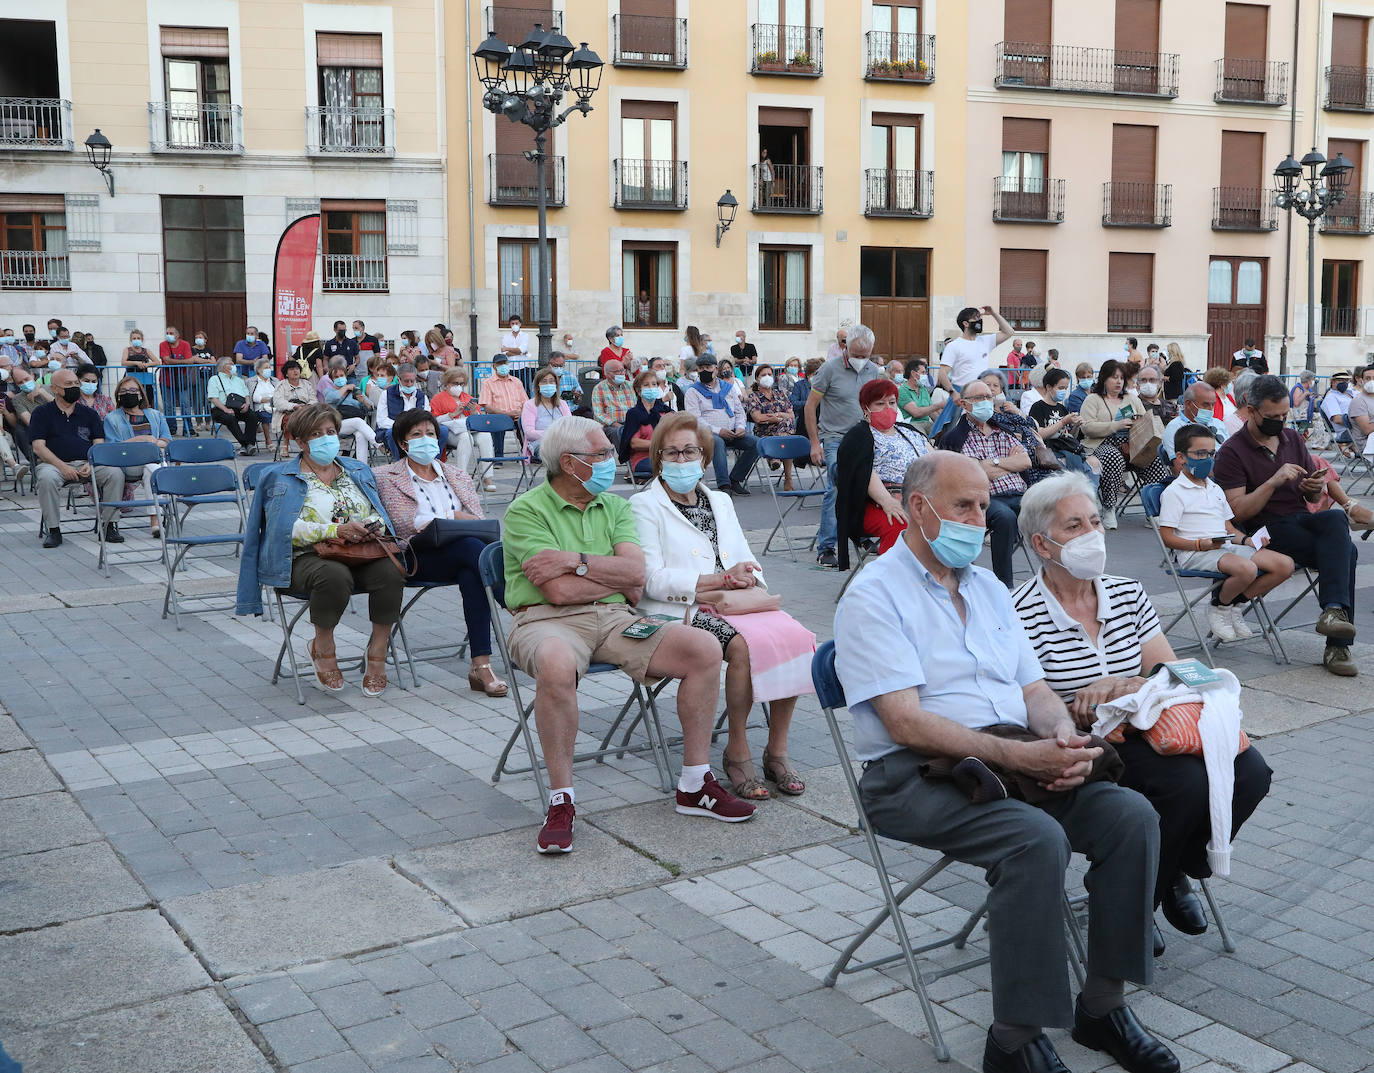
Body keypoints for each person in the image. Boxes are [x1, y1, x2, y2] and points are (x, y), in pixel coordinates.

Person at [836, 451, 1176, 1073]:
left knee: (1132, 816)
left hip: (1009, 758)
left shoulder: (988, 587)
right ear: (918, 507)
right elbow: (905, 723)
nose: (982, 518)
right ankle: (1014, 1040)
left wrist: (1061, 742)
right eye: (963, 505)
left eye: (983, 503)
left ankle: (1103, 1006)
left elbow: (1034, 691)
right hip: (914, 773)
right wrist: (1023, 753)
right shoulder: (875, 595)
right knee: (1034, 840)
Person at [1012, 472, 1273, 959]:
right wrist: (1084, 704)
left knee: (1251, 770)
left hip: (1151, 729)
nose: (1092, 533)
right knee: (1187, 787)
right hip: (1084, 744)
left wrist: (1130, 684)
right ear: (1041, 544)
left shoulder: (1127, 592)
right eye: (1074, 526)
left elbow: (1174, 670)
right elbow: (1023, 710)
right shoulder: (1019, 613)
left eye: (1094, 521)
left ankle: (1169, 869)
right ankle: (1142, 900)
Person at [500, 416, 757, 853]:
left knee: (702, 646)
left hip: (617, 619)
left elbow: (637, 576)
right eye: (600, 454)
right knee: (558, 663)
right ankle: (562, 800)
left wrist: (575, 560)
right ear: (570, 462)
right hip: (546, 619)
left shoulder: (614, 506)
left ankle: (695, 783)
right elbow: (557, 591)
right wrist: (607, 575)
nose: (611, 460)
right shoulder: (526, 510)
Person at [631, 412, 813, 800]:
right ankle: (737, 749)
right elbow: (650, 579)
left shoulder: (721, 500)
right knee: (744, 646)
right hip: (684, 606)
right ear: (660, 458)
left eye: (691, 452)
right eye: (673, 453)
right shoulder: (644, 505)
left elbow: (746, 557)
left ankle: (777, 750)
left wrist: (748, 576)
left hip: (733, 600)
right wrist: (710, 583)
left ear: (705, 455)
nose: (683, 460)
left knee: (795, 638)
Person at [237, 403, 404, 696]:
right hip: (304, 557)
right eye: (317, 434)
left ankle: (377, 652)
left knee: (391, 570)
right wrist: (335, 531)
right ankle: (322, 645)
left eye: (331, 431)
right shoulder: (280, 477)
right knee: (333, 575)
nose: (327, 438)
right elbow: (284, 530)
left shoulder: (356, 469)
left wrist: (367, 527)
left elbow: (379, 512)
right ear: (300, 442)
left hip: (358, 551)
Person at [1213, 375, 1366, 676]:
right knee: (1346, 550)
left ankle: (1334, 614)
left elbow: (1310, 494)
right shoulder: (1232, 452)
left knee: (1336, 523)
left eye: (1284, 415)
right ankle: (1337, 644)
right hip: (1264, 532)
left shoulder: (1292, 438)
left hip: (1301, 522)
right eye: (1272, 416)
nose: (1281, 421)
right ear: (1251, 410)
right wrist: (1273, 481)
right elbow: (1237, 510)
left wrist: (1312, 487)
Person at [372, 408, 507, 697]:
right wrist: (454, 517)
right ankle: (521, 612)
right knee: (475, 552)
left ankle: (481, 666)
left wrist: (454, 521)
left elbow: (479, 520)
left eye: (431, 434)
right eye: (417, 435)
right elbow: (405, 524)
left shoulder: (455, 474)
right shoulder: (385, 476)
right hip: (415, 557)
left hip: (461, 554)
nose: (426, 440)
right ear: (403, 443)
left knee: (474, 569)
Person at [1159, 424, 1296, 641]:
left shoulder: (1215, 488)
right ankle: (1219, 607)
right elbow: (1166, 537)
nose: (1208, 459)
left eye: (1211, 453)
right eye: (1200, 453)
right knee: (1247, 569)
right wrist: (1199, 544)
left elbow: (1228, 528)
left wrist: (1248, 540)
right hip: (1195, 553)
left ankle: (1235, 604)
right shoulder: (1174, 492)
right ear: (1181, 457)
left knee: (1285, 565)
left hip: (1225, 547)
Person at [938, 378, 1028, 586]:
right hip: (985, 498)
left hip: (1019, 492)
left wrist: (991, 465)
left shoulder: (1001, 430)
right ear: (964, 404)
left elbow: (1024, 461)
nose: (986, 401)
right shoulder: (956, 437)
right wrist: (1007, 463)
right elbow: (970, 472)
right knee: (1004, 518)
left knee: (1052, 509)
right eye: (979, 398)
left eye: (988, 396)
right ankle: (1004, 585)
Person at [805, 325, 882, 567]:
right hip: (835, 437)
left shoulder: (873, 370)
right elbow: (810, 406)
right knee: (836, 488)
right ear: (845, 347)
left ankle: (861, 534)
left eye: (865, 355)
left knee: (869, 485)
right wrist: (815, 443)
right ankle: (826, 546)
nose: (861, 360)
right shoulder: (829, 369)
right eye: (856, 355)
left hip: (864, 436)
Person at [835, 379, 932, 567]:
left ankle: (936, 579)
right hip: (875, 503)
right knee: (901, 523)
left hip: (920, 498)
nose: (888, 408)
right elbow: (864, 472)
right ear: (866, 408)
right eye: (880, 403)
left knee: (949, 522)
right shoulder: (860, 436)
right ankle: (892, 583)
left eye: (892, 402)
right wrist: (887, 501)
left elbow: (936, 460)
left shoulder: (909, 431)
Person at [30, 369, 127, 548]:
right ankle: (53, 530)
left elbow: (98, 443)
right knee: (46, 478)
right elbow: (38, 447)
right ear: (54, 388)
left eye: (76, 383)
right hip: (53, 464)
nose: (74, 387)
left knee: (114, 473)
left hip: (87, 463)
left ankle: (110, 525)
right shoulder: (41, 413)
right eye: (68, 385)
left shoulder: (89, 414)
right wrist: (62, 467)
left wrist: (91, 463)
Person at [1080, 359, 1168, 529]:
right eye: (1114, 377)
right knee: (1113, 457)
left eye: (1121, 378)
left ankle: (1154, 511)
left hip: (1132, 446)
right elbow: (1087, 427)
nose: (1118, 381)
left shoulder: (1131, 399)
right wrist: (1115, 426)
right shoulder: (1093, 399)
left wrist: (1138, 427)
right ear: (1104, 379)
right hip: (1101, 444)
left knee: (1155, 459)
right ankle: (1109, 507)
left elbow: (1144, 423)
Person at [104, 376, 170, 536]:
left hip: (153, 462)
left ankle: (156, 520)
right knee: (156, 468)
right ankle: (156, 520)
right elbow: (112, 447)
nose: (129, 394)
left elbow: (167, 441)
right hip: (127, 463)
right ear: (118, 396)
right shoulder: (112, 418)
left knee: (153, 469)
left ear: (140, 394)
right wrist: (139, 440)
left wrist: (151, 443)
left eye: (133, 390)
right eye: (124, 391)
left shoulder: (155, 415)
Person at [933, 305, 1013, 436]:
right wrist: (953, 393)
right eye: (975, 318)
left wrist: (993, 313)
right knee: (955, 432)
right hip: (962, 395)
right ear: (965, 323)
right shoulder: (954, 346)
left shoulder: (985, 341)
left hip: (982, 394)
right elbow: (942, 374)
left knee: (982, 430)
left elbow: (1009, 332)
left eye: (979, 318)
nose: (979, 321)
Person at [684, 354, 757, 496]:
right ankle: (724, 485)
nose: (705, 370)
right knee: (717, 442)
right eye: (701, 368)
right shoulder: (693, 391)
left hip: (732, 432)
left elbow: (739, 411)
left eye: (708, 367)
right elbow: (695, 419)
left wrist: (741, 427)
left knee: (756, 443)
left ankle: (735, 479)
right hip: (706, 435)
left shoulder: (728, 388)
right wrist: (718, 430)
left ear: (716, 369)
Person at [1028, 368, 1102, 484]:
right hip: (1049, 451)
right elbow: (1039, 434)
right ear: (1048, 387)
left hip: (1066, 448)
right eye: (1060, 388)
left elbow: (1068, 435)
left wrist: (1076, 425)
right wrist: (1063, 422)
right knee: (1065, 466)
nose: (1063, 391)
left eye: (1066, 388)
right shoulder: (1038, 407)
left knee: (1094, 463)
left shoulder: (1062, 408)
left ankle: (1088, 498)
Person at [432, 366, 491, 486]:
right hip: (450, 432)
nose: (458, 386)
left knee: (485, 436)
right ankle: (461, 475)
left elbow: (479, 420)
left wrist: (475, 412)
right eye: (455, 383)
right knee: (465, 437)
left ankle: (487, 476)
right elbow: (434, 420)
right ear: (447, 383)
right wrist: (452, 414)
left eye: (461, 383)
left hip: (470, 429)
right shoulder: (437, 399)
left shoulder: (467, 397)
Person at [745, 363, 797, 489]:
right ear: (757, 379)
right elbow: (758, 418)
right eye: (763, 375)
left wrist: (777, 416)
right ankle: (788, 480)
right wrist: (777, 418)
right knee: (787, 434)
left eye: (769, 374)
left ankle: (775, 457)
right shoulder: (754, 397)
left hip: (782, 432)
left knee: (786, 430)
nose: (767, 376)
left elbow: (792, 415)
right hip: (764, 433)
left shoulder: (781, 394)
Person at [378, 363, 444, 460]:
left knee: (443, 431)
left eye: (412, 381)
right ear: (398, 379)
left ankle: (433, 462)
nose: (409, 384)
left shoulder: (421, 396)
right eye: (406, 381)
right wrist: (403, 426)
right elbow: (381, 421)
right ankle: (400, 463)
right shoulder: (386, 394)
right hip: (396, 429)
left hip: (419, 429)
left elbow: (427, 417)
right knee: (391, 433)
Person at [619, 369, 671, 475]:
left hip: (667, 455)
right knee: (670, 468)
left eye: (654, 384)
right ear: (639, 391)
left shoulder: (664, 411)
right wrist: (660, 445)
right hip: (643, 457)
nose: (651, 388)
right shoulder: (634, 413)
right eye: (646, 385)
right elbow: (634, 443)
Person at [476, 357, 529, 460]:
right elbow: (487, 406)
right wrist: (505, 414)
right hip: (499, 416)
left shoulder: (517, 381)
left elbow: (525, 402)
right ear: (494, 366)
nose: (503, 366)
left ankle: (527, 454)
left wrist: (521, 412)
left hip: (518, 415)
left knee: (526, 422)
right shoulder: (487, 383)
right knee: (498, 422)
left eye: (504, 363)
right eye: (499, 364)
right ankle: (498, 457)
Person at [1161, 382, 1227, 465]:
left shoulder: (1218, 423)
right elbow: (1180, 468)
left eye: (1213, 405)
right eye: (1205, 405)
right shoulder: (1175, 428)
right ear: (1188, 404)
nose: (1210, 409)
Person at [207, 356, 260, 455]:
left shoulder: (238, 380)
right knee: (230, 419)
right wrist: (225, 409)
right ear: (224, 367)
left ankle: (249, 445)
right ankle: (246, 444)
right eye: (231, 364)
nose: (233, 366)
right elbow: (213, 398)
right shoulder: (215, 379)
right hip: (220, 408)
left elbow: (246, 394)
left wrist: (247, 404)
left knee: (252, 416)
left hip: (239, 407)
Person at [521, 366, 573, 460]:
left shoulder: (562, 404)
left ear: (556, 385)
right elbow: (529, 433)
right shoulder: (529, 405)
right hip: (540, 443)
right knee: (558, 453)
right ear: (537, 386)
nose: (548, 384)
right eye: (544, 381)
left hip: (562, 442)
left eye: (551, 381)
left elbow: (570, 426)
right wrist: (552, 434)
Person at [158, 326, 197, 436]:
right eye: (167, 333)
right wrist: (182, 361)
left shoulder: (185, 344)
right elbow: (166, 360)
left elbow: (190, 361)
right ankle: (171, 428)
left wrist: (173, 361)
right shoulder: (163, 345)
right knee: (168, 405)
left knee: (185, 404)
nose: (168, 335)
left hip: (182, 380)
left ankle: (188, 428)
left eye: (171, 333)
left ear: (177, 335)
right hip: (166, 380)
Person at [590, 358, 636, 443]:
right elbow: (599, 414)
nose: (621, 373)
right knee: (616, 433)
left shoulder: (630, 385)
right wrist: (616, 424)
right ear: (607, 374)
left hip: (631, 422)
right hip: (610, 425)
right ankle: (624, 456)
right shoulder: (599, 388)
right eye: (617, 371)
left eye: (622, 370)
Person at [271, 361, 316, 449]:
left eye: (297, 369)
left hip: (305, 412)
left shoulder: (307, 384)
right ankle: (287, 443)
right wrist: (294, 406)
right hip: (286, 412)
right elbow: (278, 402)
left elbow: (314, 399)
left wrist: (306, 407)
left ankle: (307, 443)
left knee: (312, 420)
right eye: (292, 369)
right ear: (286, 374)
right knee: (290, 419)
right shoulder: (281, 385)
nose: (295, 371)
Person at [248, 358, 278, 452]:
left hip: (275, 406)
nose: (268, 369)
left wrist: (269, 400)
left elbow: (279, 395)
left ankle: (286, 442)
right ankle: (268, 441)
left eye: (269, 367)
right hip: (259, 408)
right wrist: (270, 399)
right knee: (265, 416)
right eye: (266, 368)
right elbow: (256, 398)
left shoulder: (274, 381)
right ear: (258, 370)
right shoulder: (252, 382)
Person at [500, 315, 533, 390]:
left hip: (523, 367)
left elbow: (522, 349)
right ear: (510, 325)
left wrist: (507, 348)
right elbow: (504, 353)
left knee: (524, 389)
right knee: (510, 389)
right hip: (510, 367)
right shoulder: (506, 336)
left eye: (516, 323)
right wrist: (520, 352)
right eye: (512, 323)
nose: (515, 325)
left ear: (520, 324)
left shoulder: (525, 336)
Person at [1289, 370, 1316, 435]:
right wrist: (1305, 394)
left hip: (1306, 414)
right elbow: (1296, 403)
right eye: (1312, 379)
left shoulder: (1309, 389)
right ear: (1308, 380)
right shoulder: (1298, 388)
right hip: (1299, 415)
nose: (1313, 381)